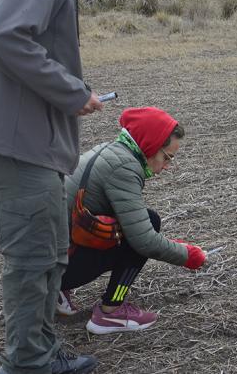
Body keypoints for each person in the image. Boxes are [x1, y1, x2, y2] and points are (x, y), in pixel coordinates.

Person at [0, 0, 128, 374]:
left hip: (32, 143)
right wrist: (72, 92)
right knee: (31, 260)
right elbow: (6, 36)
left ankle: (41, 349)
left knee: (49, 254)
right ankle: (27, 363)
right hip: (20, 147)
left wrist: (69, 91)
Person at [56, 107, 208, 335]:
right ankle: (110, 311)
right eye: (167, 157)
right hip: (60, 267)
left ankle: (57, 291)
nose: (167, 166)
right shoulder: (124, 167)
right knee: (149, 224)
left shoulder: (110, 151)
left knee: (140, 224)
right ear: (150, 145)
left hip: (48, 259)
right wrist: (188, 255)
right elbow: (144, 240)